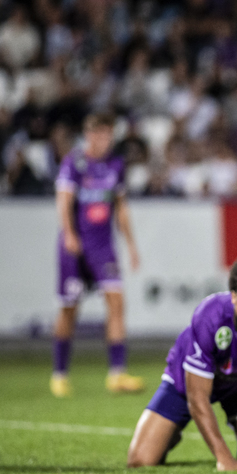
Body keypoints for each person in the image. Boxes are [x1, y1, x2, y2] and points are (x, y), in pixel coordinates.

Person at [126, 253, 237, 472]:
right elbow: (197, 396)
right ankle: (172, 431)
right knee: (140, 460)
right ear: (233, 296)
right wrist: (224, 458)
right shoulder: (209, 315)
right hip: (186, 384)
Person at [51, 112, 143, 397]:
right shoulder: (75, 163)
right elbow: (64, 200)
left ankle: (117, 373)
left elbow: (121, 207)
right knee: (69, 308)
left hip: (103, 247)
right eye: (99, 134)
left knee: (117, 302)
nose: (104, 140)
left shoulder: (116, 165)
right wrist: (68, 233)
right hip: (76, 246)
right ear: (88, 135)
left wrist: (131, 244)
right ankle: (60, 374)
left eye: (108, 134)